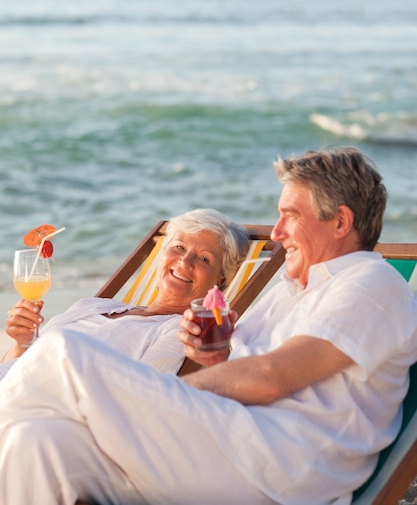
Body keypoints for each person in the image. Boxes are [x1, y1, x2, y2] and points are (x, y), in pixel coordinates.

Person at [0, 146, 416, 505]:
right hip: (227, 448)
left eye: (290, 216)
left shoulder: (370, 283)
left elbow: (272, 378)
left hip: (277, 468)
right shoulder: (290, 289)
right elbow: (256, 375)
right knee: (37, 439)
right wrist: (217, 359)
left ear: (341, 223)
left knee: (64, 352)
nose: (277, 232)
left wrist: (159, 396)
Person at [0, 208, 249, 378]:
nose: (185, 261)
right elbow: (14, 365)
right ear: (162, 255)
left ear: (221, 280)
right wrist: (22, 343)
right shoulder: (93, 305)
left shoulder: (177, 333)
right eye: (179, 247)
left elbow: (137, 400)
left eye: (204, 258)